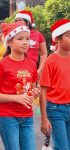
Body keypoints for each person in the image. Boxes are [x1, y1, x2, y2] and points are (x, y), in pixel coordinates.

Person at [0, 21, 40, 150]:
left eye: (27, 39)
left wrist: (35, 92)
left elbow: (32, 89)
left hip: (27, 116)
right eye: (20, 39)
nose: (25, 42)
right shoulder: (1, 65)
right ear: (10, 43)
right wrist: (15, 98)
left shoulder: (32, 64)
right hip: (8, 117)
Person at [39, 19, 70, 150]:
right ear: (57, 39)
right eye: (69, 36)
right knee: (62, 147)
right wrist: (44, 118)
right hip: (55, 110)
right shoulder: (51, 60)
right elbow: (43, 91)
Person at [15, 10, 47, 77]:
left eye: (19, 20)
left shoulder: (38, 34)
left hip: (33, 70)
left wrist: (40, 69)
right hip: (16, 70)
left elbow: (43, 54)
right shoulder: (13, 34)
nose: (17, 22)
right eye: (16, 21)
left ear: (27, 21)